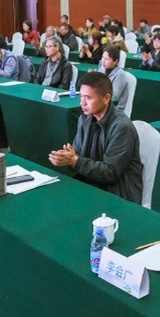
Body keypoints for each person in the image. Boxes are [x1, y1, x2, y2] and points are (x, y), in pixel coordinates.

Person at [48, 71, 143, 203]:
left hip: (117, 193)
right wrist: (67, 158)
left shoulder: (122, 127)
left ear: (106, 99)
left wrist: (75, 161)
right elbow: (78, 156)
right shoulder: (84, 119)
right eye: (81, 96)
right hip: (91, 183)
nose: (82, 103)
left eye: (88, 98)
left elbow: (111, 173)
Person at [99, 46, 130, 113]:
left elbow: (114, 97)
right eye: (102, 57)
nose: (103, 61)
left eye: (106, 59)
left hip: (115, 110)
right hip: (102, 105)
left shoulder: (120, 74)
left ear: (115, 61)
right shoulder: (101, 71)